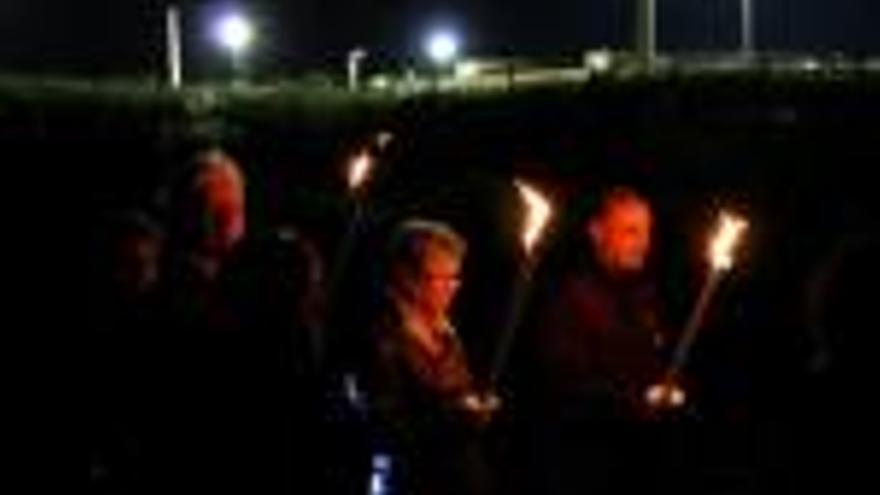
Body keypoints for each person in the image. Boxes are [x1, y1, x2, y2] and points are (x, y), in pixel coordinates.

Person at [520, 186, 673, 494]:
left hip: (641, 463)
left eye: (647, 232)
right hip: (586, 466)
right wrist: (635, 402)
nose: (644, 243)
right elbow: (564, 385)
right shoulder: (569, 298)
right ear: (597, 232)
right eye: (631, 231)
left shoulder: (645, 297)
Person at [366, 219, 500, 495]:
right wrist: (451, 418)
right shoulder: (383, 335)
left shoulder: (444, 332)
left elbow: (460, 388)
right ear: (407, 277)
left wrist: (475, 408)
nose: (453, 287)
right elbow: (384, 421)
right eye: (443, 277)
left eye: (456, 277)